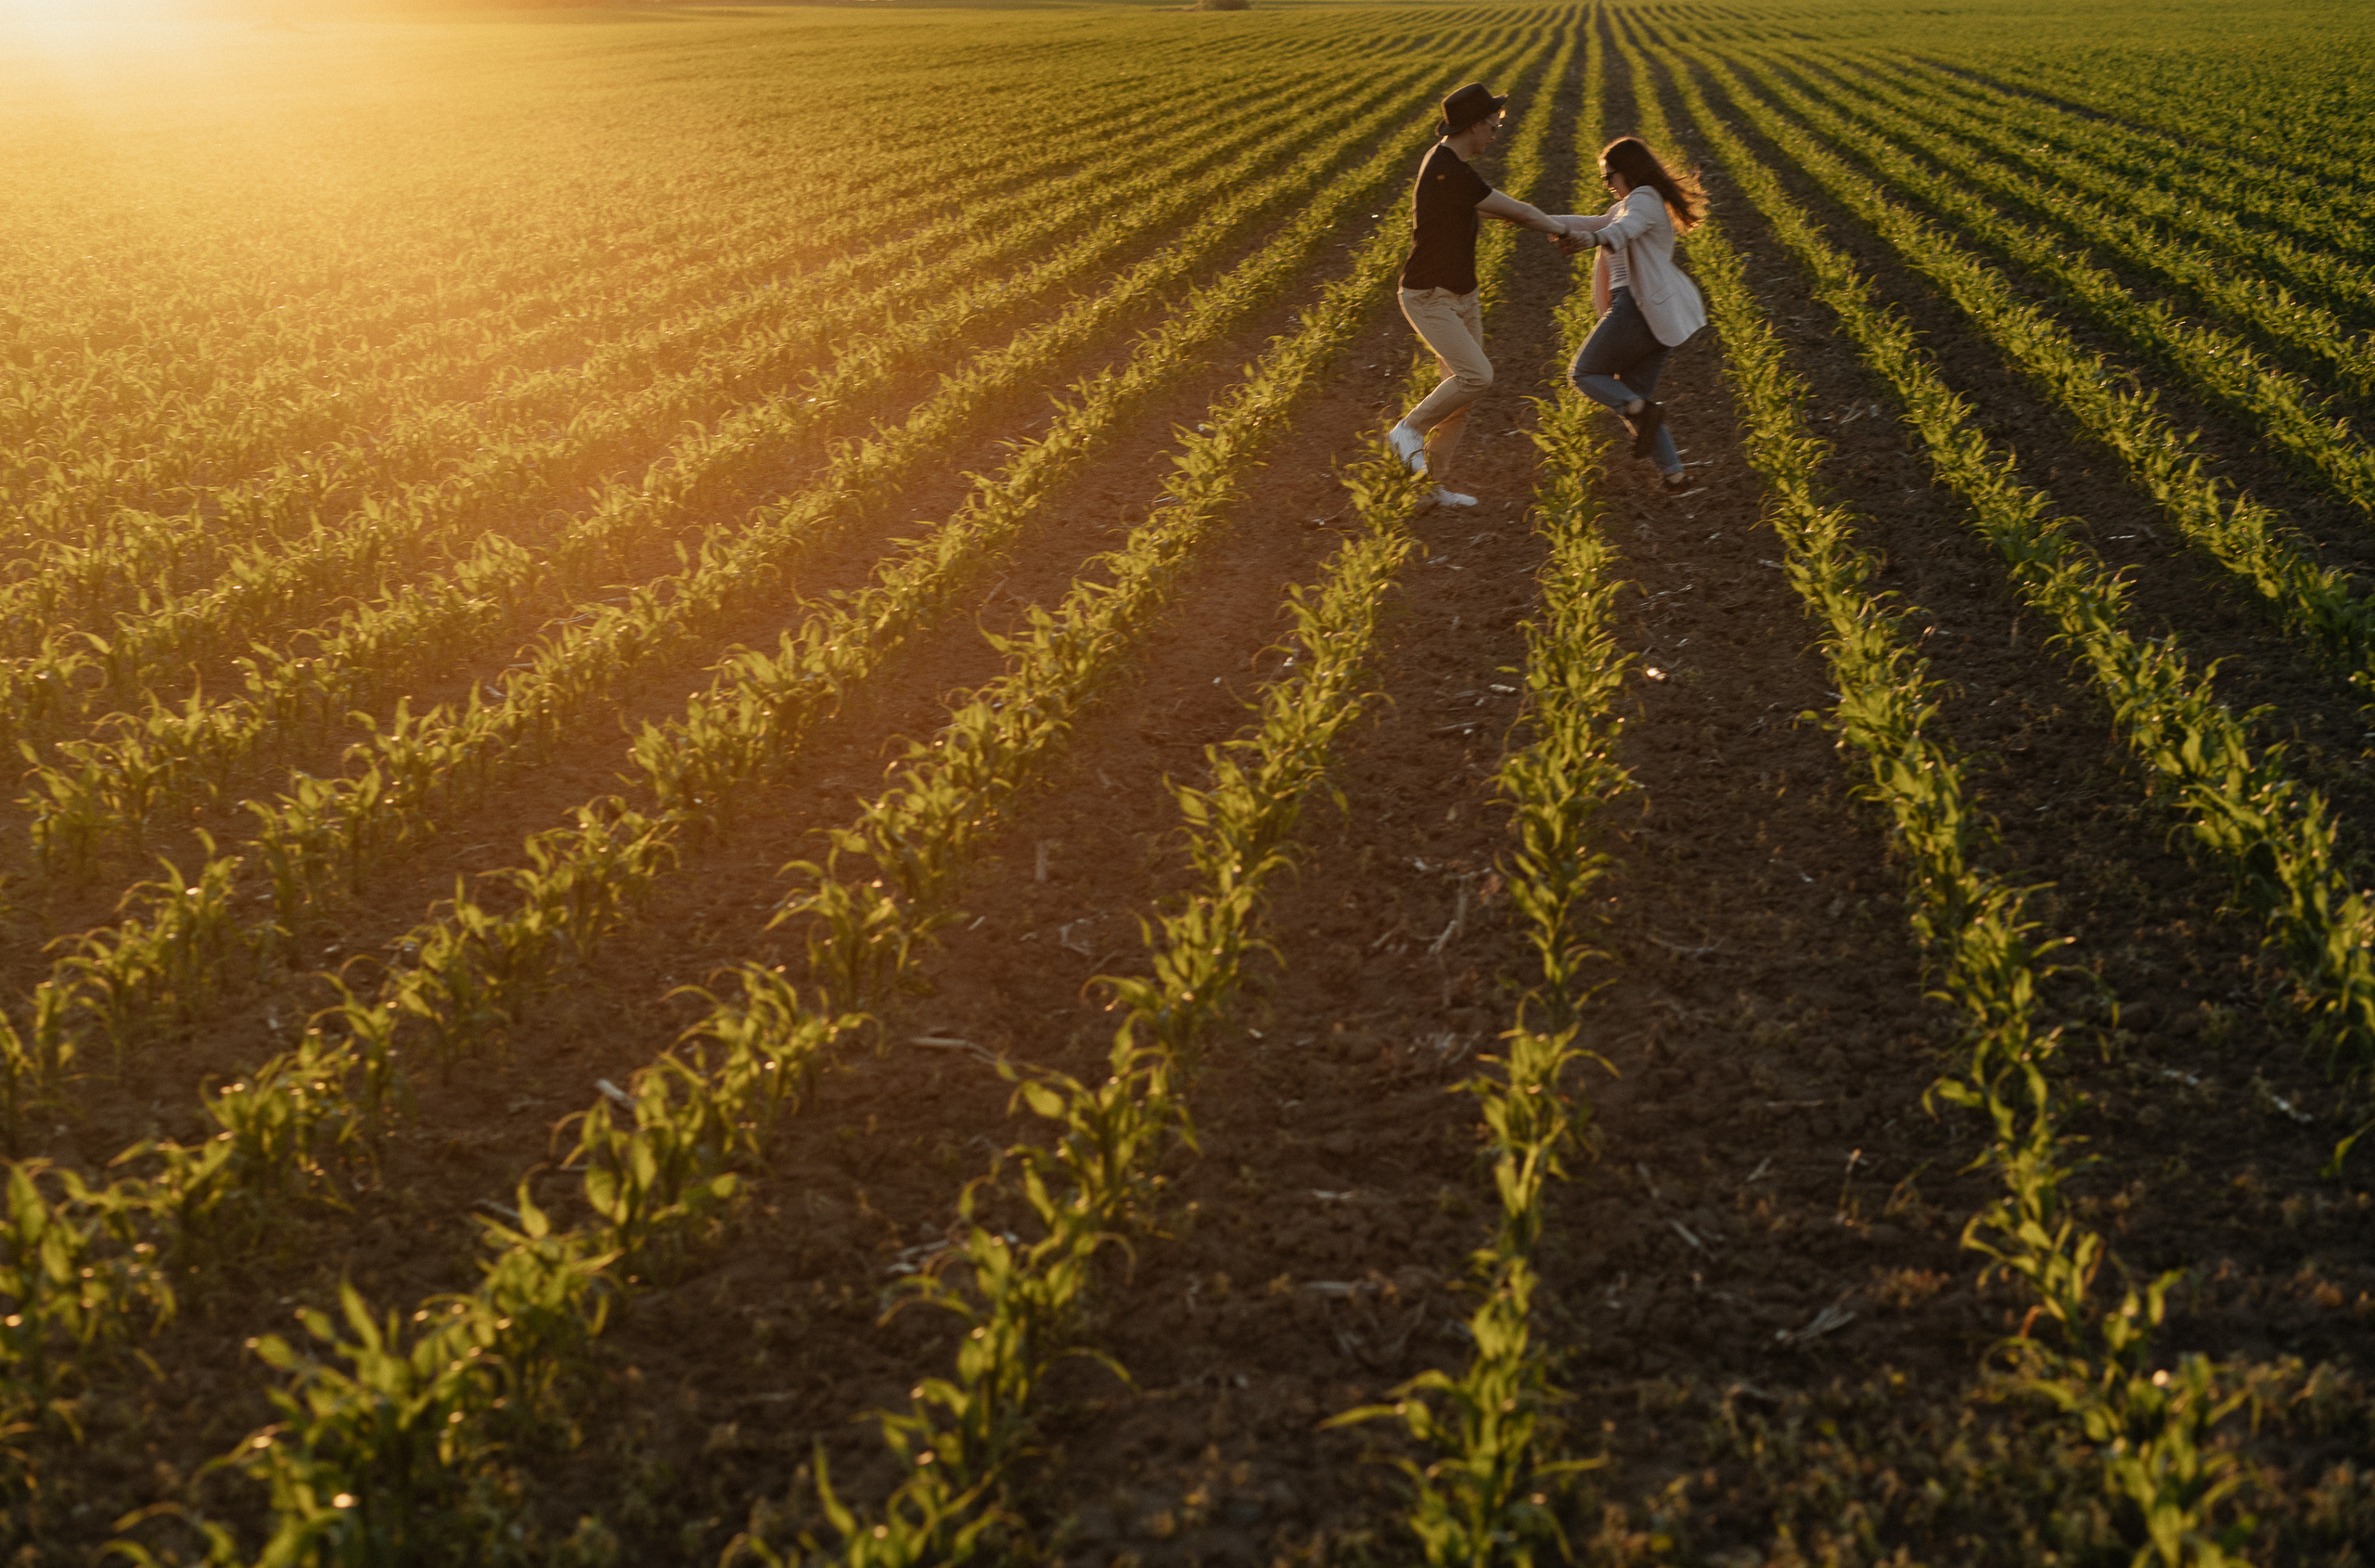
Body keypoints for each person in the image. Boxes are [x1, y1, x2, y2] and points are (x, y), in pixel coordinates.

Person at [1386, 83, 1578, 508]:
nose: (1496, 134)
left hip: (1462, 295)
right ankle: (1408, 430)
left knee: (1462, 399)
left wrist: (1560, 224)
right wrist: (1565, 232)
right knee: (1476, 376)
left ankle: (1427, 490)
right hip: (1429, 295)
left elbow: (1500, 212)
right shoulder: (1448, 169)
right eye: (1493, 126)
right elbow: (1521, 212)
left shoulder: (1450, 167)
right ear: (1473, 127)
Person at [1555, 135, 1709, 495]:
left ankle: (1642, 409)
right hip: (1658, 318)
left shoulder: (1643, 200)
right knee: (1638, 406)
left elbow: (1621, 231)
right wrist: (1528, 218)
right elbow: (1591, 222)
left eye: (1610, 176)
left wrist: (1593, 241)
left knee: (1584, 372)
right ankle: (1676, 477)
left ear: (1629, 172)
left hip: (1637, 309)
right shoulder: (1627, 205)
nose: (1607, 184)